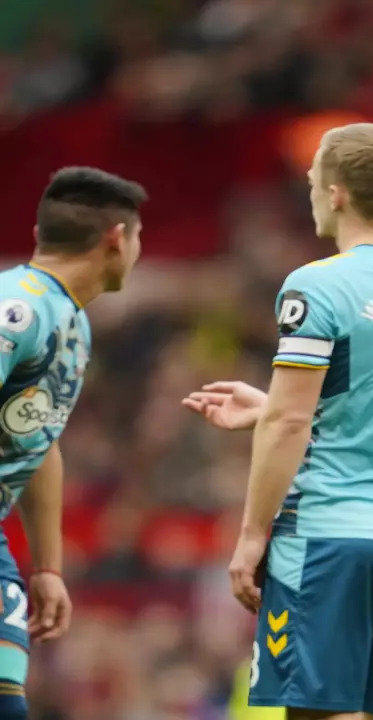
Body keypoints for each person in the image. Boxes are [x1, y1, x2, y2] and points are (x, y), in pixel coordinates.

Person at [182, 123, 373, 720]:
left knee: (316, 711)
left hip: (330, 533)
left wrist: (251, 536)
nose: (311, 190)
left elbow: (292, 423)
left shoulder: (318, 284)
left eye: (315, 179)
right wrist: (268, 407)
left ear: (338, 192)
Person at [0, 167, 146, 719]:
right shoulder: (20, 307)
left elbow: (39, 441)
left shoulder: (72, 323)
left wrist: (48, 566)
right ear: (117, 238)